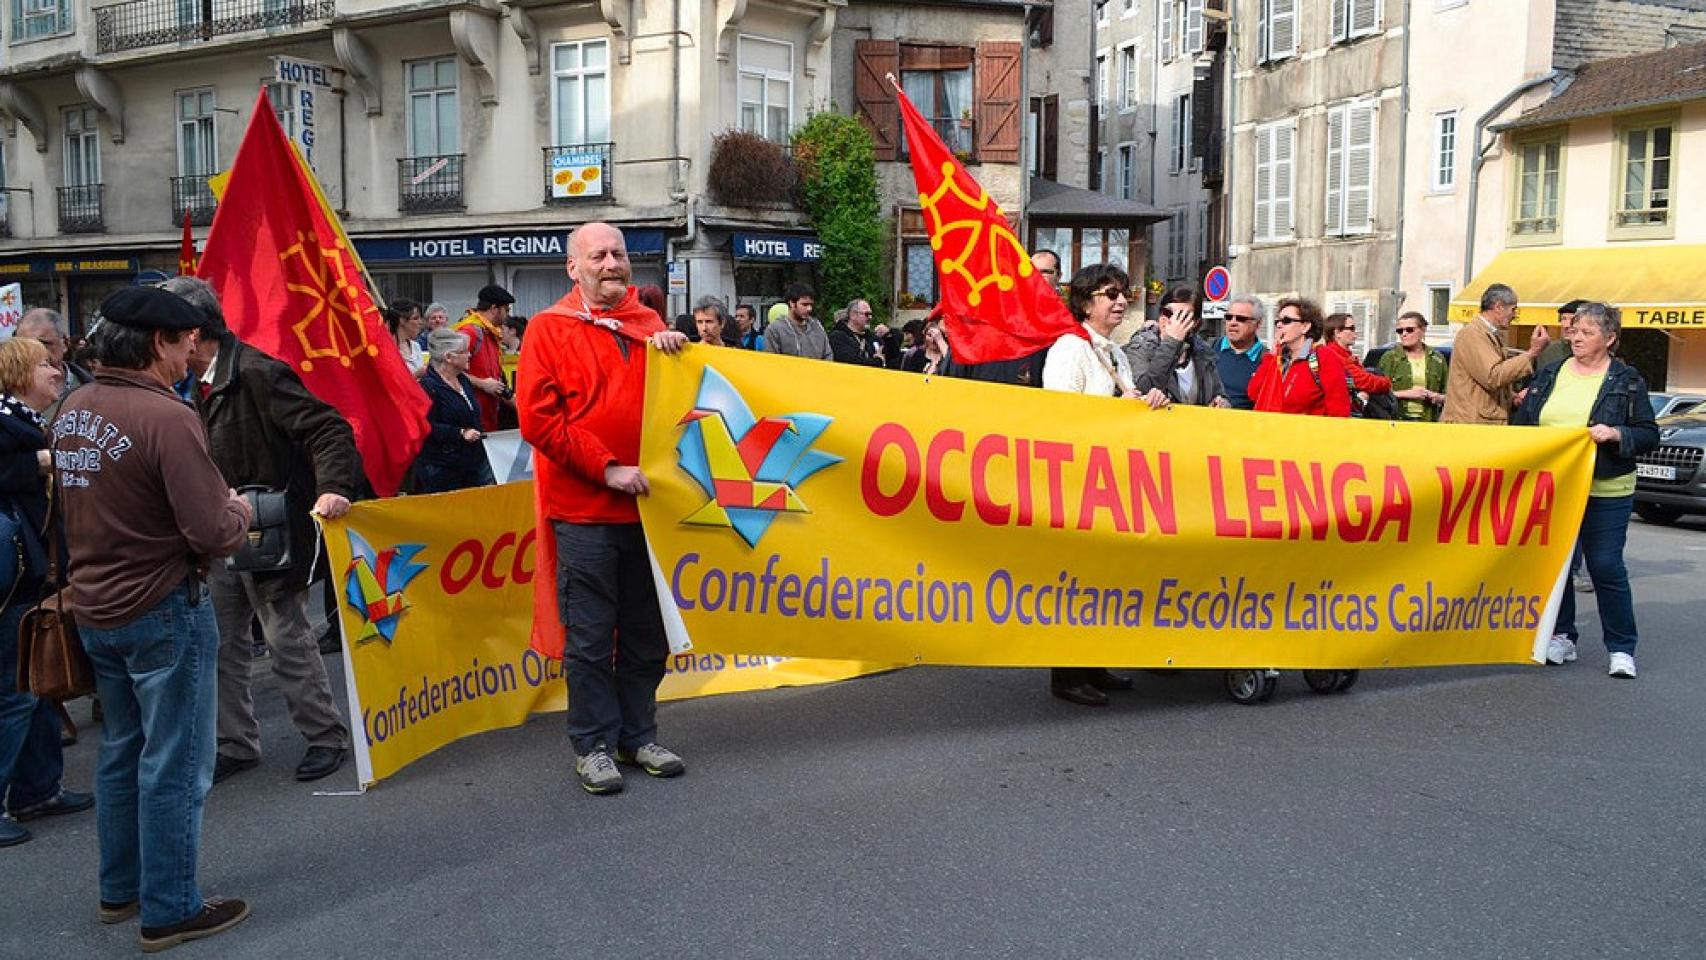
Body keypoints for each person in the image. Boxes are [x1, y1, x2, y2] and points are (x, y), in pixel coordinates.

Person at [56, 286, 254, 951]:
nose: (191, 351)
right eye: (183, 341)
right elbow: (209, 528)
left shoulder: (73, 405)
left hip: (95, 601)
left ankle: (122, 889)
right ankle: (170, 908)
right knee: (175, 765)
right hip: (163, 602)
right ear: (156, 343)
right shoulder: (166, 416)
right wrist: (240, 512)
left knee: (121, 752)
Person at [516, 221, 690, 795]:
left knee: (646, 634)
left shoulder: (651, 326)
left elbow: (681, 406)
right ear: (574, 268)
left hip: (650, 513)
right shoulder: (547, 329)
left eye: (618, 253)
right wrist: (607, 466)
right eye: (598, 255)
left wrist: (675, 358)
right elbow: (540, 421)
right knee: (590, 638)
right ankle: (592, 744)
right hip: (585, 513)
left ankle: (638, 735)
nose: (611, 263)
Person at [162, 276, 357, 786]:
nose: (155, 343)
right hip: (221, 530)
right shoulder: (190, 382)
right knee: (223, 642)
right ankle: (236, 743)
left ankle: (325, 737)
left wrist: (333, 487)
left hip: (268, 530)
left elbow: (329, 427)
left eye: (163, 332)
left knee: (286, 637)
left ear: (192, 334)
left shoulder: (255, 371)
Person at [1040, 263, 1169, 707]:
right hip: (1078, 483)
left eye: (1122, 293)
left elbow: (1123, 409)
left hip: (1107, 483)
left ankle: (1093, 663)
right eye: (1109, 293)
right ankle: (1067, 673)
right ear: (1084, 302)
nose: (1120, 301)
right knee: (1075, 581)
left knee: (1101, 581)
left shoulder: (1112, 353)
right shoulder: (1069, 349)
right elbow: (1060, 419)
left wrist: (1146, 403)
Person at [1511, 302, 1657, 679]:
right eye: (1574, 330)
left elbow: (1647, 434)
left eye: (1586, 332)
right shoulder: (1550, 373)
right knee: (1557, 563)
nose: (1575, 337)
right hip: (1554, 486)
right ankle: (1562, 634)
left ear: (1609, 339)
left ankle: (1622, 647)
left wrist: (1616, 434)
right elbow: (1524, 424)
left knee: (1605, 565)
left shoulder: (1626, 380)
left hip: (1606, 486)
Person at [0, 337, 93, 848]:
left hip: (34, 573)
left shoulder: (29, 422)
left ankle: (38, 788)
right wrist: (30, 467)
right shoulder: (8, 425)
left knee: (35, 687)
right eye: (46, 364)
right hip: (12, 577)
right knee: (12, 694)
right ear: (18, 374)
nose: (58, 371)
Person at [1440, 283, 1550, 425]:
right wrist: (1532, 353)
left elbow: (1485, 382)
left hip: (1480, 422)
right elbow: (1493, 376)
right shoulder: (1473, 334)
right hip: (1471, 424)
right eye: (1513, 309)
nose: (1514, 315)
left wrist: (1512, 397)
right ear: (1498, 307)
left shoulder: (1489, 334)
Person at [415, 328, 498, 494]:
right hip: (443, 467)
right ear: (448, 357)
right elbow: (425, 426)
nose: (469, 355)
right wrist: (459, 433)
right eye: (464, 352)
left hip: (471, 462)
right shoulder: (427, 387)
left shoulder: (463, 380)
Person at [1126, 286, 1229, 407]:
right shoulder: (1141, 346)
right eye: (1167, 312)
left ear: (1194, 322)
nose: (1170, 320)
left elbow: (1220, 394)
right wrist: (1171, 342)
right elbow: (1143, 390)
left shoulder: (1203, 352)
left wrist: (1222, 403)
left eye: (1181, 316)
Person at [1248, 298, 1352, 417]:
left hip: (1308, 433)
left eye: (1286, 320)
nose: (1279, 325)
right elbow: (1254, 393)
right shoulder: (1278, 359)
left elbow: (1339, 410)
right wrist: (1271, 356)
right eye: (1277, 321)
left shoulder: (1324, 357)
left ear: (1305, 326)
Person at [453, 285, 518, 432]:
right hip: (471, 423)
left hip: (487, 419)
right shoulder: (470, 332)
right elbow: (447, 371)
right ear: (494, 309)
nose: (507, 315)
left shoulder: (491, 334)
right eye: (506, 310)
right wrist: (482, 384)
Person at [17, 308, 94, 418]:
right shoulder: (6, 391)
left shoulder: (89, 388)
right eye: (24, 345)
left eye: (43, 343)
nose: (32, 351)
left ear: (65, 344)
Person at [1376, 311, 1449, 422]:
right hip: (1398, 420)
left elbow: (1450, 395)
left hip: (1429, 421)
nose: (1404, 334)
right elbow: (1378, 395)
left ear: (1423, 330)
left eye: (1409, 330)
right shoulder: (1390, 358)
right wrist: (1406, 394)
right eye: (1400, 331)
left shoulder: (1437, 359)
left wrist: (1437, 397)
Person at [1321, 313, 1393, 414]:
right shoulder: (1334, 355)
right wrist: (1387, 382)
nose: (1356, 332)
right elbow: (1364, 381)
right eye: (1351, 328)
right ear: (1337, 333)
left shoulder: (1345, 355)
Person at [1214, 295, 1267, 410]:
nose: (1233, 323)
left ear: (1257, 324)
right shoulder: (1209, 349)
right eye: (1229, 317)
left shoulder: (1267, 360)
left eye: (1241, 319)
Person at [763, 283, 832, 360]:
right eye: (804, 304)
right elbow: (771, 361)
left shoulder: (817, 326)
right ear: (792, 303)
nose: (809, 309)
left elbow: (828, 355)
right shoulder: (775, 329)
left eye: (811, 305)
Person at [829, 299, 885, 366]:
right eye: (866, 314)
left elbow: (892, 355)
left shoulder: (872, 338)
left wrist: (888, 334)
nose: (870, 317)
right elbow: (850, 362)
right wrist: (877, 361)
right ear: (853, 315)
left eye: (871, 314)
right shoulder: (837, 337)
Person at [1535, 299, 1583, 371]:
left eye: (1573, 319)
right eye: (1564, 319)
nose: (1567, 325)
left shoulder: (1599, 353)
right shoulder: (1548, 352)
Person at [387, 300, 427, 379]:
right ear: (402, 320)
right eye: (415, 318)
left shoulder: (416, 346)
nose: (420, 322)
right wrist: (416, 375)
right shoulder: (387, 350)